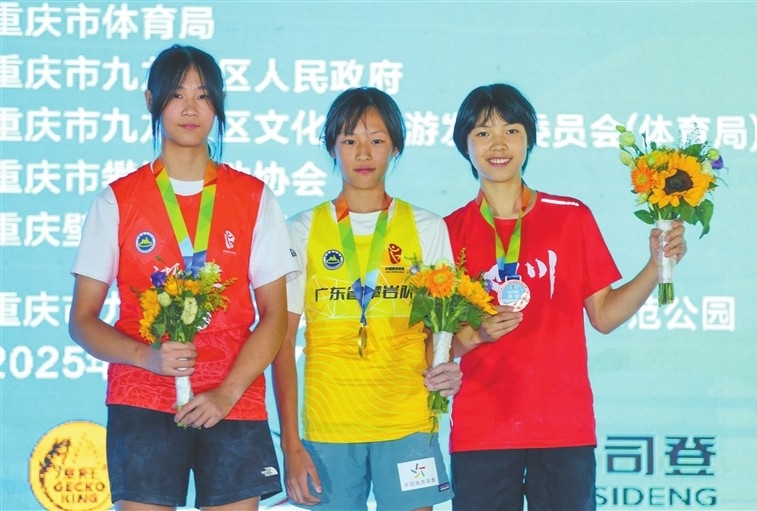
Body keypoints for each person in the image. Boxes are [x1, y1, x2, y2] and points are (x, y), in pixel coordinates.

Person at [68, 44, 298, 510]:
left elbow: (275, 316)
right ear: (151, 101)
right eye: (176, 94)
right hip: (142, 397)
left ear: (218, 103)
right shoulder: (117, 200)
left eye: (203, 95)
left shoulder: (254, 197)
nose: (191, 108)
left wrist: (227, 393)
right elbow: (82, 320)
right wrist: (148, 357)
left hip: (233, 397)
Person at [443, 83, 688, 511]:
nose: (498, 144)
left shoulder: (570, 217)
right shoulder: (447, 232)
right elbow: (437, 346)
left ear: (529, 140)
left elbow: (605, 316)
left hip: (562, 428)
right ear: (464, 145)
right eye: (483, 132)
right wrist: (477, 334)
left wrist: (655, 266)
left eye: (511, 131)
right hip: (482, 430)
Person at [271, 87, 461, 511]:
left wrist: (448, 367)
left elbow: (441, 330)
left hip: (408, 421)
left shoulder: (427, 227)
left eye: (376, 140)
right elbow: (280, 343)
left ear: (395, 147)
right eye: (349, 140)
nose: (363, 153)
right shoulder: (301, 229)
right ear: (331, 147)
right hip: (327, 423)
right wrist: (291, 444)